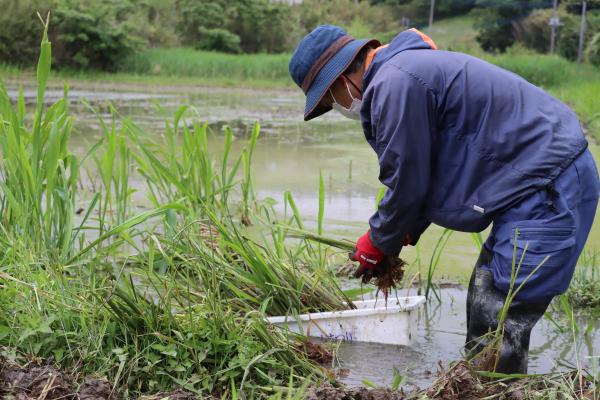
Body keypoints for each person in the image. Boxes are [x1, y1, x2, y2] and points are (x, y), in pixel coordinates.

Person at [288, 25, 600, 374]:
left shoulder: (395, 84)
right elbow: (432, 169)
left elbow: (406, 181)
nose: (337, 105)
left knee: (502, 307)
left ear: (342, 77)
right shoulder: (403, 73)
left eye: (331, 97)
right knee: (486, 292)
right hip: (532, 181)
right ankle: (486, 385)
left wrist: (378, 241)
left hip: (548, 185)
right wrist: (401, 234)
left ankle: (495, 390)